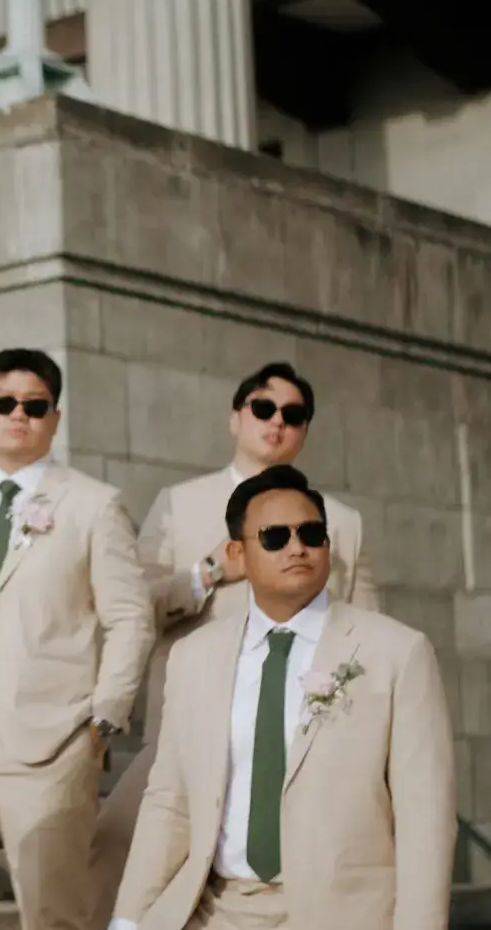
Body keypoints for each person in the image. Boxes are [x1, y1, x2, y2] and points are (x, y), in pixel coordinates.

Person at [110, 466, 454, 930]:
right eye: (275, 537)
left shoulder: (396, 653)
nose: (297, 547)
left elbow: (425, 818)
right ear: (238, 553)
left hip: (342, 914)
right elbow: (169, 802)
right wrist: (129, 919)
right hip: (212, 910)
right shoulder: (195, 658)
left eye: (312, 533)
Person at [92, 362, 375, 913]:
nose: (277, 423)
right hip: (196, 720)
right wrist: (208, 572)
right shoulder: (180, 502)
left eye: (293, 416)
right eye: (264, 409)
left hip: (300, 724)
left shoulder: (341, 521)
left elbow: (365, 634)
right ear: (236, 418)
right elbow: (137, 602)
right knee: (113, 843)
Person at [0, 349, 154, 930]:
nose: (18, 414)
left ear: (55, 416)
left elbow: (131, 616)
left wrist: (104, 717)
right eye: (5, 403)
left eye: (34, 405)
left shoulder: (94, 504)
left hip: (50, 739)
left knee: (52, 913)